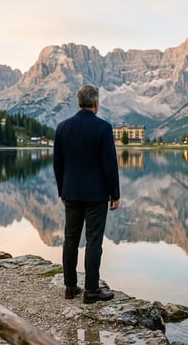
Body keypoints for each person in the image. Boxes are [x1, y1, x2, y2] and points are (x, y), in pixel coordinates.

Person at [53, 84, 120, 304]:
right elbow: (109, 165)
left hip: (70, 193)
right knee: (93, 242)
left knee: (70, 239)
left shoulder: (63, 127)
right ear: (96, 103)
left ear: (79, 102)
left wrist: (62, 189)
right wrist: (115, 193)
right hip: (96, 195)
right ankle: (91, 290)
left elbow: (58, 164)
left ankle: (70, 288)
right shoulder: (103, 128)